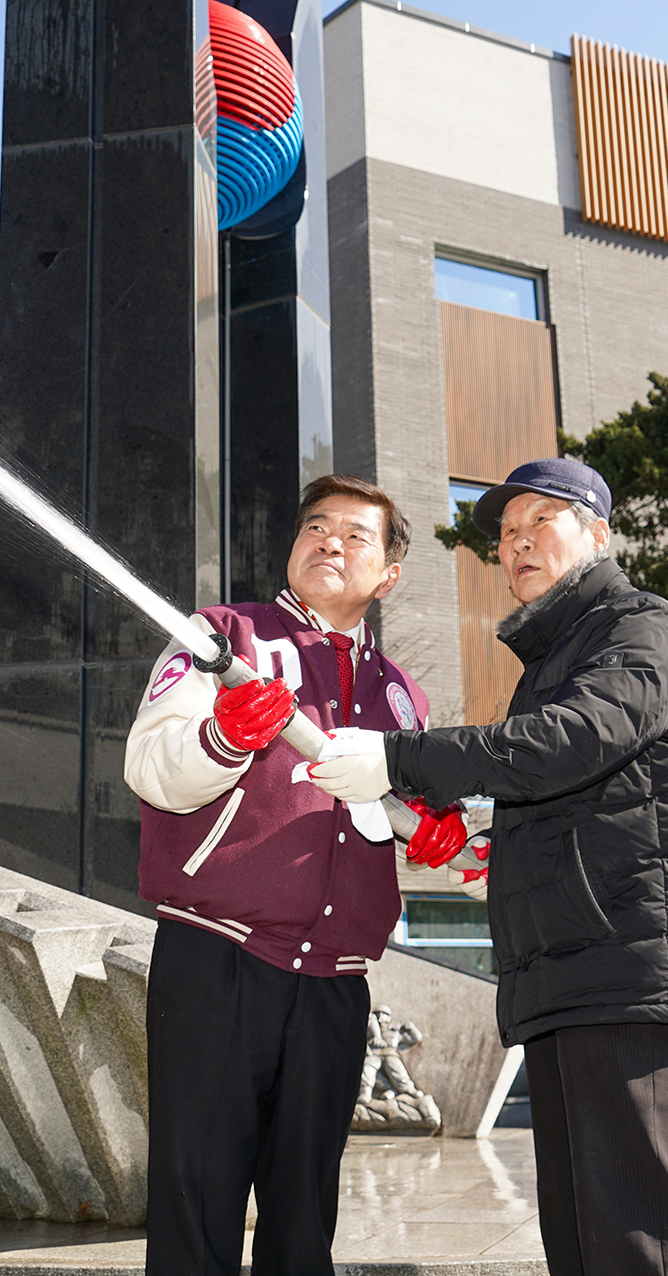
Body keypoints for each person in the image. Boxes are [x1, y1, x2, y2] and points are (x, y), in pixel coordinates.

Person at [308, 457, 668, 1276]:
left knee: (634, 1240)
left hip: (631, 969)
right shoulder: (554, 656)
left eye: (541, 521)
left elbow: (574, 741)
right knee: (581, 1242)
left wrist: (399, 757)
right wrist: (486, 839)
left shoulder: (639, 625)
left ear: (598, 533)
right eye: (505, 533)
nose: (516, 544)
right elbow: (577, 793)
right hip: (570, 974)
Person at [123, 473, 463, 1276]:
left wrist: (437, 834)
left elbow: (391, 820)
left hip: (336, 982)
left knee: (304, 1214)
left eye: (355, 535)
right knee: (196, 1202)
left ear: (388, 575)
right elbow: (149, 766)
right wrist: (223, 734)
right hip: (218, 957)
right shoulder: (222, 637)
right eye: (316, 526)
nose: (329, 542)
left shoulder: (401, 695)